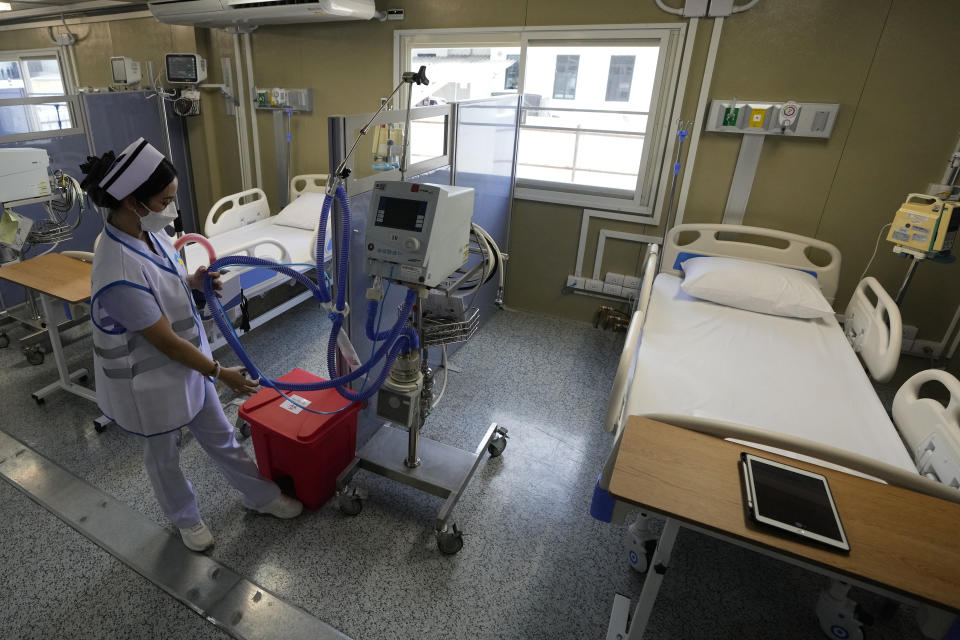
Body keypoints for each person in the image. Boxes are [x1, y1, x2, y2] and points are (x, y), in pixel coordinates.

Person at [80, 138, 302, 552]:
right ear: (132, 202)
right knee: (164, 457)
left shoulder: (153, 234)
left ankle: (261, 496)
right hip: (148, 384)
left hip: (189, 365)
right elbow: (163, 339)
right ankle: (186, 519)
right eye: (165, 199)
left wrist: (195, 284)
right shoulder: (116, 270)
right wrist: (221, 373)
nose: (172, 208)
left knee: (220, 435)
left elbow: (167, 287)